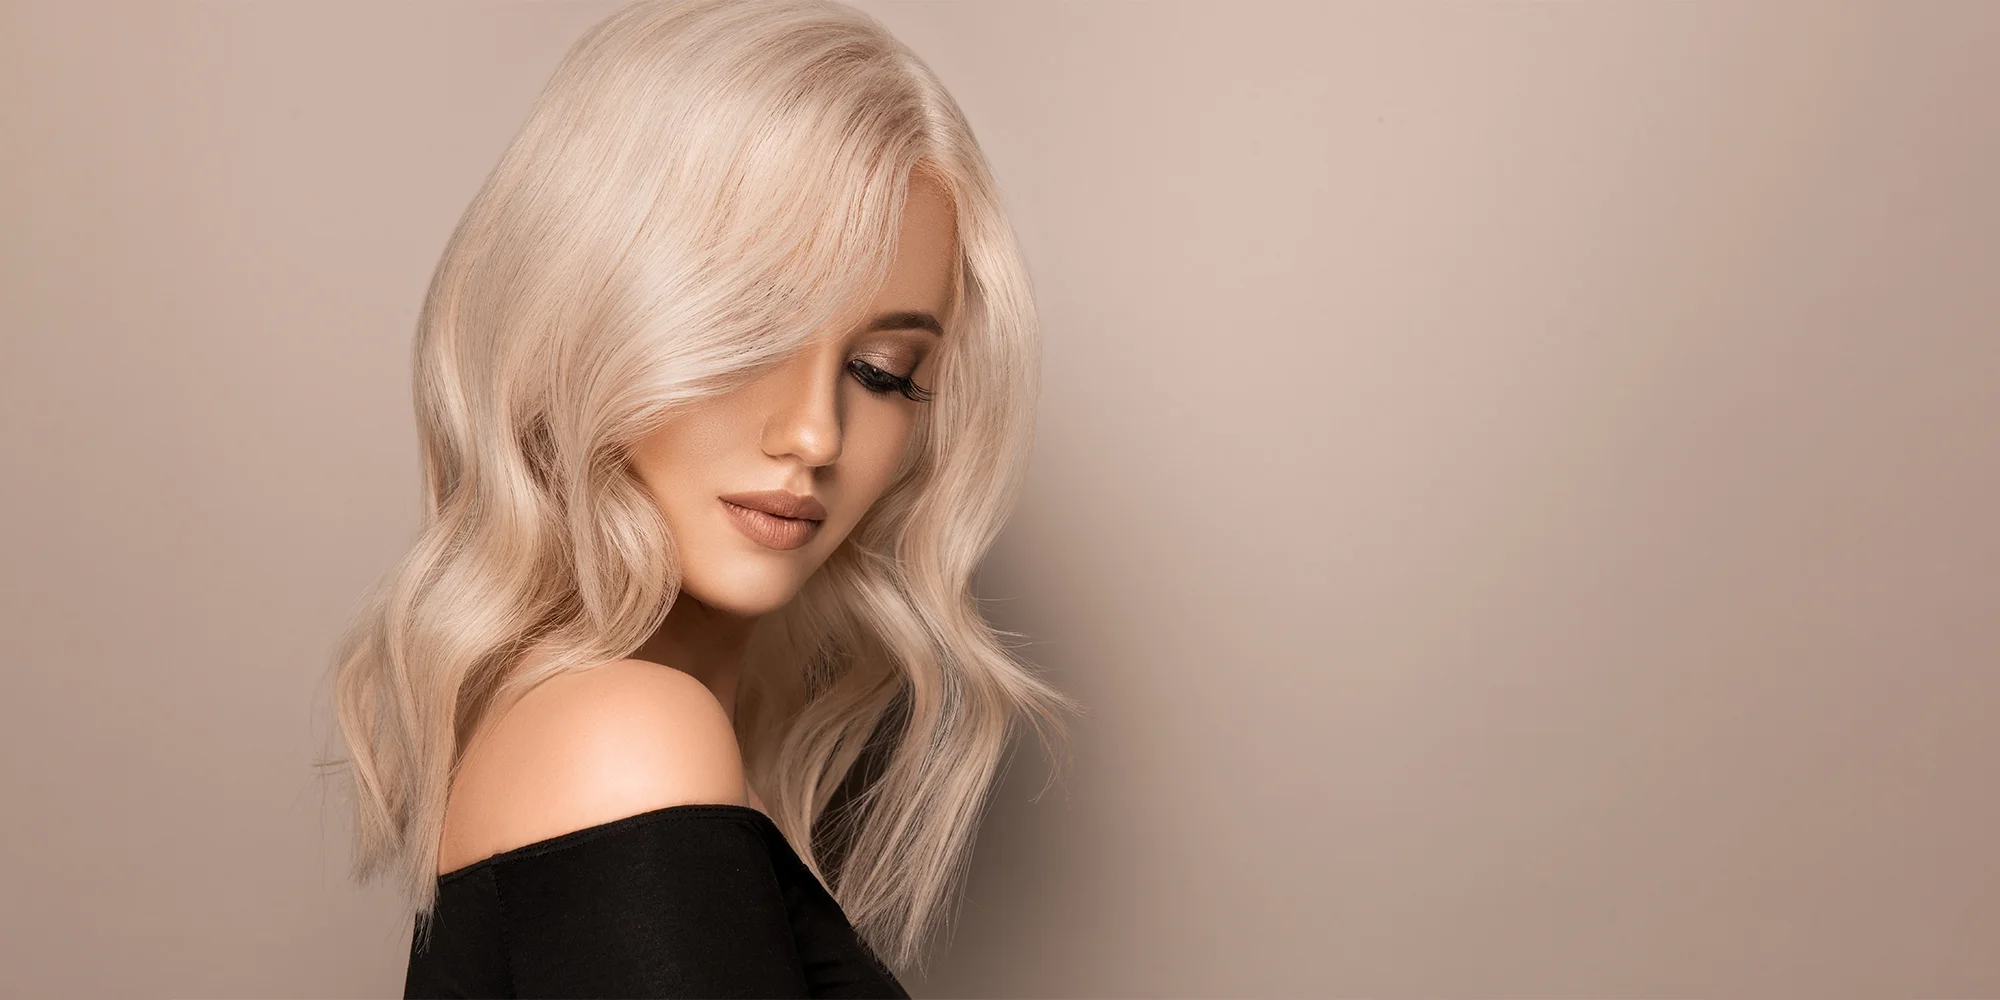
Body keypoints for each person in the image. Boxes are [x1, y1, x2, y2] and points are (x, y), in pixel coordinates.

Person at [324, 0, 1081, 995]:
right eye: (753, 331)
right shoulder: (623, 739)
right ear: (586, 314)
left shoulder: (628, 749)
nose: (813, 435)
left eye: (883, 373)